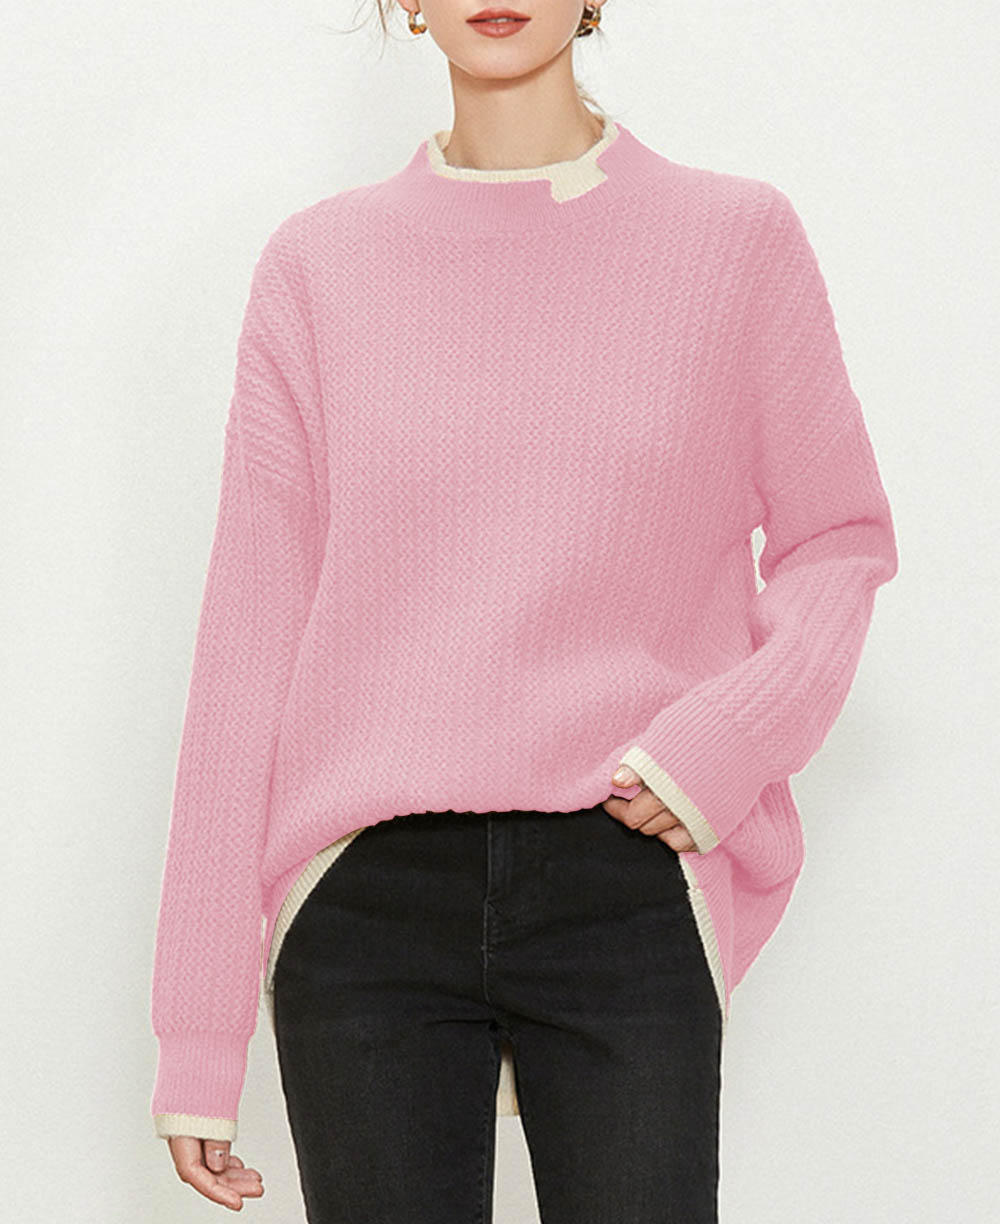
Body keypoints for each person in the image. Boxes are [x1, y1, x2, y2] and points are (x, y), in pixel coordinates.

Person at [150, 2, 899, 1220]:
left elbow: (839, 538)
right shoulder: (318, 267)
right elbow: (248, 643)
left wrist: (727, 740)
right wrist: (197, 1031)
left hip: (623, 873)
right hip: (366, 895)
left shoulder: (732, 242)